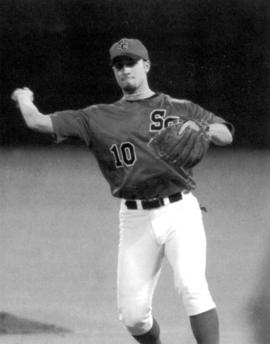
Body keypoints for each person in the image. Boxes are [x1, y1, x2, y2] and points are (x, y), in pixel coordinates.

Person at [11, 38, 233, 344]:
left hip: (180, 211)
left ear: (146, 65)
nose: (125, 69)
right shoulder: (95, 117)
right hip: (135, 219)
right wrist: (23, 97)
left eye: (131, 62)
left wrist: (204, 129)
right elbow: (37, 122)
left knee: (192, 287)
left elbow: (224, 133)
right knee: (133, 318)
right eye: (119, 65)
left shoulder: (179, 108)